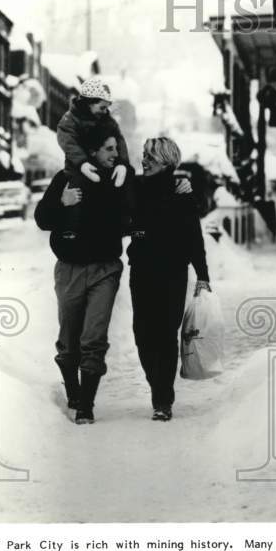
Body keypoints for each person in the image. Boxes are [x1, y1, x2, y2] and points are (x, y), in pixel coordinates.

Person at [35, 123, 125, 424]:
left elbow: (139, 207)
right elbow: (42, 219)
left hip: (105, 270)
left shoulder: (117, 178)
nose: (116, 154)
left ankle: (86, 405)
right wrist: (62, 203)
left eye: (116, 148)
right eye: (110, 149)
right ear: (93, 152)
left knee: (94, 337)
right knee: (68, 339)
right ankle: (73, 393)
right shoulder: (66, 178)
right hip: (70, 270)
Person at [128, 137, 211, 421]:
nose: (144, 161)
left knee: (165, 335)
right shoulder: (136, 187)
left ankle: (163, 398)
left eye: (151, 157)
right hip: (141, 271)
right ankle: (158, 386)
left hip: (172, 273)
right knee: (142, 333)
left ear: (166, 161)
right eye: (144, 156)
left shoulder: (181, 192)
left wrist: (203, 275)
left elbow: (193, 237)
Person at [56, 77, 134, 238]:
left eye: (107, 108)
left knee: (120, 185)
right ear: (89, 103)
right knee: (77, 193)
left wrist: (122, 163)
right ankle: (72, 232)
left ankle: (123, 224)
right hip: (79, 168)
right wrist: (82, 163)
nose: (105, 111)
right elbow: (68, 143)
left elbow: (118, 138)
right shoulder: (70, 119)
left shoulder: (106, 119)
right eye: (102, 107)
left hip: (103, 166)